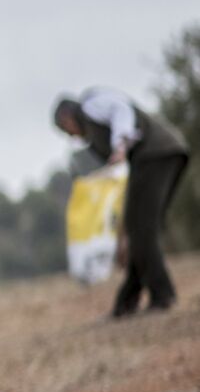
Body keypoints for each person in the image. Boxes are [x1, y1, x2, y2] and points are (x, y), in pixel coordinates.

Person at [53, 88, 190, 316]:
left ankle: (162, 296)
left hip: (156, 154)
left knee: (142, 231)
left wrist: (119, 144)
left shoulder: (91, 105)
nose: (72, 136)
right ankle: (126, 303)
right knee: (138, 230)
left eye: (66, 130)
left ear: (67, 117)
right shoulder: (92, 126)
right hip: (154, 158)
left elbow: (121, 109)